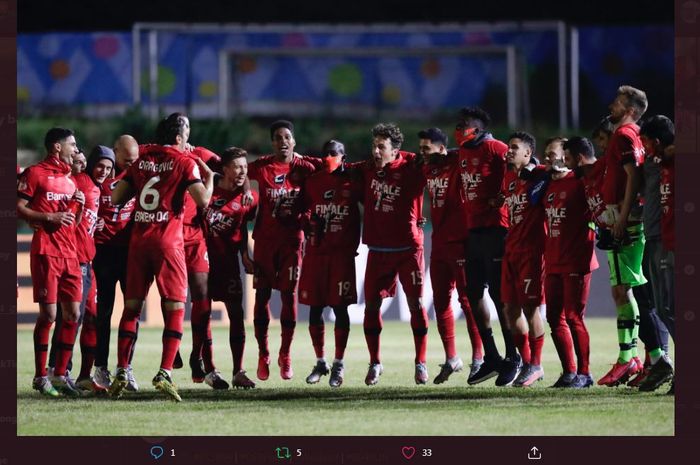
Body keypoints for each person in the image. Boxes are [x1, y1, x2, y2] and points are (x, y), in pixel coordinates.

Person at [108, 113, 214, 401]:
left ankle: (121, 368)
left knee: (131, 308)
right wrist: (210, 179)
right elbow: (203, 201)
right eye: (188, 133)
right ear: (179, 138)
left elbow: (117, 198)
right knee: (176, 309)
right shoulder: (183, 162)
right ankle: (165, 372)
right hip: (168, 244)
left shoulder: (142, 161)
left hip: (138, 243)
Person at [246, 120, 317, 381]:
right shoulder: (263, 166)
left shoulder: (305, 168)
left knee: (289, 297)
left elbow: (329, 168)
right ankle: (263, 354)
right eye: (278, 137)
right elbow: (237, 170)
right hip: (265, 241)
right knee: (262, 297)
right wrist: (244, 191)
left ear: (294, 142)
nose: (283, 141)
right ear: (272, 142)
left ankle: (285, 355)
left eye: (287, 136)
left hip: (292, 242)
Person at [17, 127, 85, 397]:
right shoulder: (35, 173)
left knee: (73, 315)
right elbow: (18, 207)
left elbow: (73, 223)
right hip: (46, 251)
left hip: (71, 254)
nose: (76, 150)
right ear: (57, 147)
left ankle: (59, 374)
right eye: (73, 144)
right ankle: (39, 376)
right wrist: (48, 218)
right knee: (49, 315)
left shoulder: (71, 181)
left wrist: (77, 205)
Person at [455, 107, 519, 386]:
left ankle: (513, 356)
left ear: (478, 128)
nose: (459, 129)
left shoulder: (495, 147)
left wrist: (505, 195)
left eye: (464, 125)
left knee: (498, 293)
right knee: (472, 293)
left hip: (497, 229)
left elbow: (525, 165)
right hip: (474, 230)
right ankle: (491, 357)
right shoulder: (462, 152)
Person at [361, 123, 428, 385]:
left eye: (382, 147)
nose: (376, 151)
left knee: (416, 305)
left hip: (408, 249)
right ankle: (375, 363)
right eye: (374, 146)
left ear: (396, 150)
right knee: (371, 308)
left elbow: (436, 166)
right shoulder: (366, 169)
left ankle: (420, 363)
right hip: (377, 250)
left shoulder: (412, 166)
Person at [48, 146, 115, 393]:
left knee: (91, 317)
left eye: (108, 168)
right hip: (75, 260)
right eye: (100, 165)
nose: (104, 171)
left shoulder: (94, 187)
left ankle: (83, 375)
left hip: (87, 259)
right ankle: (58, 371)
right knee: (72, 317)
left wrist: (94, 223)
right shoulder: (78, 184)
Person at [418, 127, 483, 384]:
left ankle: (479, 358)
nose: (422, 153)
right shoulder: (426, 168)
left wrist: (452, 152)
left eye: (426, 148)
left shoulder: (457, 162)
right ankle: (452, 358)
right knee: (441, 302)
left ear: (442, 148)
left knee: (468, 302)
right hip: (439, 243)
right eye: (420, 148)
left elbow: (476, 151)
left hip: (462, 243)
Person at [297, 139, 364, 387]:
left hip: (341, 257)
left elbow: (374, 206)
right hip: (315, 255)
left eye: (333, 154)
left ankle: (339, 364)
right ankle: (321, 361)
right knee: (315, 309)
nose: (328, 158)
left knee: (339, 309)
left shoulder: (353, 182)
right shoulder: (313, 182)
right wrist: (307, 220)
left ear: (343, 157)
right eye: (325, 153)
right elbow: (302, 210)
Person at [596, 86, 648, 387]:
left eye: (617, 102)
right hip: (625, 217)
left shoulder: (624, 135)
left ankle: (629, 358)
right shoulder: (634, 134)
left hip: (624, 220)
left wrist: (622, 215)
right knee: (626, 289)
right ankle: (639, 356)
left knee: (623, 290)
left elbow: (633, 178)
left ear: (629, 109)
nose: (611, 105)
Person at [175, 115, 227, 389]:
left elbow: (229, 166)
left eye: (185, 131)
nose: (183, 137)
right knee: (171, 299)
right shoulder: (160, 155)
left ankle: (204, 362)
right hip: (167, 235)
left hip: (194, 237)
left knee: (202, 298)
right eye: (179, 132)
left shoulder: (200, 154)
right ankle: (172, 348)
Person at [543, 137, 598, 388]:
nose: (550, 159)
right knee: (554, 317)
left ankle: (585, 374)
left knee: (574, 316)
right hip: (552, 260)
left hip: (576, 260)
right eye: (547, 155)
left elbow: (598, 210)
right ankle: (569, 372)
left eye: (555, 154)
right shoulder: (546, 185)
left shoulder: (580, 181)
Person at [203, 147, 258, 389]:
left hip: (229, 265)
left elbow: (243, 229)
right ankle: (209, 369)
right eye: (237, 167)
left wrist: (246, 255)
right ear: (224, 169)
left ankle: (238, 371)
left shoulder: (248, 199)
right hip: (202, 263)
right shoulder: (206, 190)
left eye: (245, 167)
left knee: (236, 315)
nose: (242, 171)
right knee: (202, 316)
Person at [92, 135, 139, 391]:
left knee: (133, 311)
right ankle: (100, 366)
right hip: (103, 252)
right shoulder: (103, 176)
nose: (132, 165)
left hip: (131, 253)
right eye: (127, 160)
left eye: (135, 160)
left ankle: (126, 367)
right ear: (116, 152)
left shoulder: (140, 176)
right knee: (104, 312)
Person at [500, 132, 547, 387]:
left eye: (515, 148)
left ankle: (537, 364)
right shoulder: (508, 178)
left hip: (532, 251)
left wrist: (535, 165)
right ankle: (528, 363)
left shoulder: (539, 174)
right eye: (509, 147)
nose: (509, 151)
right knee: (509, 309)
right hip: (511, 250)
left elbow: (555, 171)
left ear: (528, 153)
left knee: (531, 308)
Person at [638, 115, 676, 393]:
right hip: (658, 238)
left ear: (658, 142)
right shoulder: (658, 163)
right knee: (664, 307)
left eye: (647, 143)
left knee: (671, 307)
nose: (645, 149)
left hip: (673, 243)